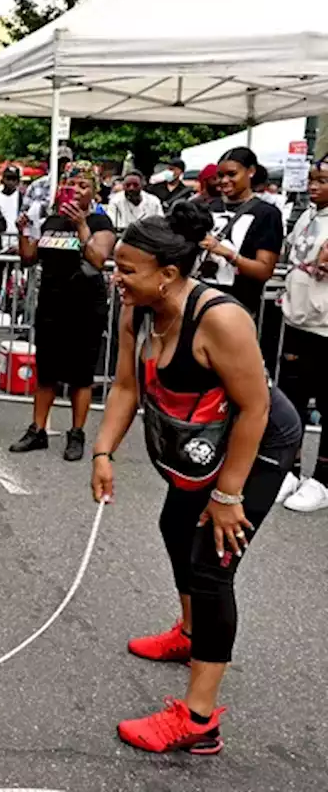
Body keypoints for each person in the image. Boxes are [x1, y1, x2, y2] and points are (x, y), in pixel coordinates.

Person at [91, 204, 302, 755]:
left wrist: (230, 495)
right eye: (116, 266)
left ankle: (199, 721)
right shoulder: (136, 308)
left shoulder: (220, 318)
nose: (117, 277)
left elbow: (255, 410)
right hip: (211, 434)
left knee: (212, 563)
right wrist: (103, 451)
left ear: (168, 273)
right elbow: (125, 387)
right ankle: (189, 636)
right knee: (173, 523)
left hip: (260, 438)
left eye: (128, 269)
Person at [11, 161, 116, 461]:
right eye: (71, 186)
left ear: (93, 192)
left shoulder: (101, 223)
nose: (75, 192)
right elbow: (29, 258)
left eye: (83, 186)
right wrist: (23, 231)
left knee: (81, 375)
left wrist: (82, 225)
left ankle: (77, 434)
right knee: (47, 372)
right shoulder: (51, 222)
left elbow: (97, 259)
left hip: (84, 305)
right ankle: (37, 430)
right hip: (51, 302)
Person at [276, 157, 328, 513]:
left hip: (326, 326)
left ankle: (323, 480)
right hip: (297, 320)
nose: (313, 186)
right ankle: (289, 470)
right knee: (292, 398)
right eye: (312, 179)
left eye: (322, 180)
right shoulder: (309, 215)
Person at [195, 147, 283, 316]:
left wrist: (228, 254)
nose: (224, 180)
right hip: (199, 301)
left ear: (250, 172)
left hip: (236, 308)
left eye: (232, 174)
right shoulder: (207, 207)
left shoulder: (267, 214)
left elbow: (264, 271)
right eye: (220, 176)